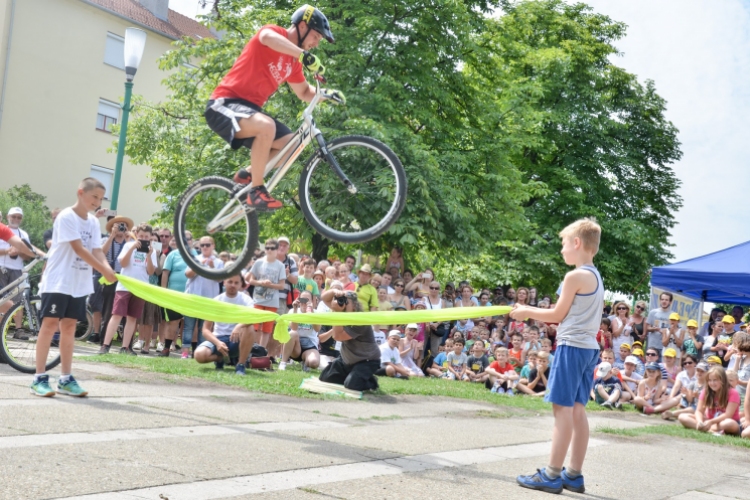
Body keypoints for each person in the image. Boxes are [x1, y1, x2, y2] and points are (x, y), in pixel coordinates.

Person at [205, 5, 340, 211]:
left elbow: (303, 92)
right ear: (302, 27)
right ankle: (256, 191)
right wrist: (303, 54)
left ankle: (247, 175)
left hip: (250, 112)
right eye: (316, 36)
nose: (316, 43)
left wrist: (327, 95)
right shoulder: (276, 33)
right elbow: (266, 38)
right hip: (224, 104)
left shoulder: (293, 63)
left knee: (293, 146)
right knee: (266, 126)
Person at [511, 218, 603, 494]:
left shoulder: (574, 276)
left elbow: (556, 315)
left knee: (561, 409)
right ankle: (573, 474)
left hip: (572, 347)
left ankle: (551, 474)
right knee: (577, 409)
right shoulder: (595, 275)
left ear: (577, 243)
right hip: (588, 348)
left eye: (564, 244)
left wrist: (526, 311)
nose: (562, 249)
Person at [30, 178, 117, 397]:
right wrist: (104, 270)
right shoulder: (67, 216)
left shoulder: (93, 222)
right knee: (49, 324)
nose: (97, 202)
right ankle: (39, 378)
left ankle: (66, 379)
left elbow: (96, 250)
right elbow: (78, 249)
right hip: (59, 279)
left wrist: (106, 268)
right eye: (94, 196)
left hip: (79, 282)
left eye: (100, 198)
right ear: (81, 193)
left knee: (69, 327)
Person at [99, 223, 158, 355]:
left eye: (146, 237)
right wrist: (132, 248)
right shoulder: (127, 245)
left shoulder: (152, 251)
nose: (143, 238)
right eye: (141, 236)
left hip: (140, 287)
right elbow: (123, 264)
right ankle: (105, 345)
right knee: (117, 315)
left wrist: (148, 255)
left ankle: (125, 347)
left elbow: (151, 272)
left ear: (150, 237)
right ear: (136, 235)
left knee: (132, 317)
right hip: (124, 286)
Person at [318, 289, 381, 391]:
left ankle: (371, 382)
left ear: (355, 306)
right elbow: (324, 298)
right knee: (325, 377)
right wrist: (335, 291)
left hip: (367, 360)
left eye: (345, 301)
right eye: (341, 300)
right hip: (347, 360)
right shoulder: (342, 311)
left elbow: (337, 336)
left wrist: (337, 312)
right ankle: (354, 376)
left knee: (352, 385)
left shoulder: (361, 320)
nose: (342, 303)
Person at [195, 274, 256, 375]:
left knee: (249, 328)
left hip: (237, 339)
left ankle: (240, 365)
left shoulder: (246, 300)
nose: (233, 285)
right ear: (224, 282)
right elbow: (205, 330)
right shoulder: (216, 300)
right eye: (230, 282)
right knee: (199, 355)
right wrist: (217, 343)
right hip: (218, 338)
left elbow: (253, 318)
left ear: (241, 284)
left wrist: (239, 326)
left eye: (236, 283)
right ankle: (220, 358)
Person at [0, 207, 43, 333]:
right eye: (13, 216)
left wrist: (43, 256)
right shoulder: (4, 229)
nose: (16, 219)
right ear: (8, 217)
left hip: (16, 269)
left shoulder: (21, 234)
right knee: (5, 303)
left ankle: (16, 330)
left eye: (19, 217)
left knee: (14, 302)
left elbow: (26, 250)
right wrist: (7, 251)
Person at [182, 236, 224, 358]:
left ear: (213, 246)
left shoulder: (218, 262)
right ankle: (185, 352)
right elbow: (188, 275)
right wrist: (198, 266)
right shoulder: (194, 259)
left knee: (204, 328)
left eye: (207, 245)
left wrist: (211, 268)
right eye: (202, 245)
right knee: (189, 326)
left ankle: (200, 353)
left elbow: (220, 279)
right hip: (192, 298)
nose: (205, 247)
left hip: (209, 300)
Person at [158, 231, 194, 356]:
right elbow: (165, 273)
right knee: (172, 322)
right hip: (174, 295)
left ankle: (190, 351)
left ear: (192, 241)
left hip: (192, 296)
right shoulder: (172, 255)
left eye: (188, 239)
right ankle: (166, 348)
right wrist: (163, 291)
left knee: (190, 324)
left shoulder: (197, 256)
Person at [246, 238, 286, 348]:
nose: (269, 250)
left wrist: (270, 285)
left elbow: (282, 285)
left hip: (272, 301)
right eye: (267, 248)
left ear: (277, 250)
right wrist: (261, 282)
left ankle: (261, 350)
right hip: (258, 299)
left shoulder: (280, 265)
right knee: (254, 326)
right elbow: (251, 280)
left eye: (272, 248)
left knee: (267, 329)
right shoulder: (259, 262)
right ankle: (251, 348)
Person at [678, 366, 741, 435]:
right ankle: (710, 431)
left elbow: (728, 415)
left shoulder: (733, 392)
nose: (712, 383)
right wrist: (700, 422)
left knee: (728, 423)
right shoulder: (706, 391)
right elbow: (699, 411)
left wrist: (711, 422)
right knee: (682, 417)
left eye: (715, 380)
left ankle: (708, 429)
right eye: (710, 380)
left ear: (723, 380)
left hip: (725, 422)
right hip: (709, 421)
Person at [280, 290, 321, 371]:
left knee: (314, 363)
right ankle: (283, 363)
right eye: (303, 300)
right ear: (299, 300)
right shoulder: (293, 311)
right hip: (295, 344)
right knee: (293, 333)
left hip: (310, 344)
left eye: (307, 300)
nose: (305, 302)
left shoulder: (316, 313)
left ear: (312, 301)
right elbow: (294, 328)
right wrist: (295, 309)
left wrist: (311, 311)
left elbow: (317, 329)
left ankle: (306, 361)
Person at [646, 292, 673, 361]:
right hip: (653, 346)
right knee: (651, 367)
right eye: (662, 299)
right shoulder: (653, 312)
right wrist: (654, 329)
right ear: (660, 300)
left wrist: (666, 332)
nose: (664, 301)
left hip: (666, 347)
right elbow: (647, 328)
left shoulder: (673, 315)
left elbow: (674, 330)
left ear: (670, 302)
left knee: (662, 370)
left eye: (666, 300)